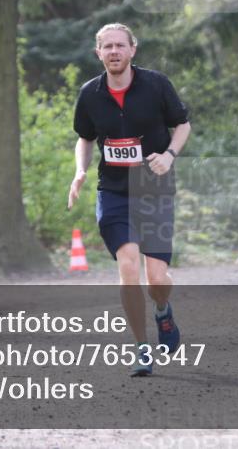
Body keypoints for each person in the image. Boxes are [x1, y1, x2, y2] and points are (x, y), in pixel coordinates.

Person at [67, 23, 192, 377]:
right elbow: (85, 138)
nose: (114, 52)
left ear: (133, 49)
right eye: (107, 47)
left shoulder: (156, 85)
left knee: (156, 279)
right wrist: (80, 171)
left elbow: (182, 124)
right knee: (127, 267)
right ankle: (141, 348)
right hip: (113, 191)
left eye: (120, 45)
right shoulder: (90, 93)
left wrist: (168, 154)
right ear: (99, 53)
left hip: (154, 189)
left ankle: (163, 311)